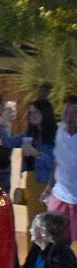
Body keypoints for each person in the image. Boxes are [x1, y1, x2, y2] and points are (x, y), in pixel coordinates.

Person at [0, 98, 57, 222]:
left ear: (45, 112)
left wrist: (37, 154)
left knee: (49, 222)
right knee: (33, 220)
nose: (32, 115)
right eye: (30, 112)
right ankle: (32, 242)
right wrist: (4, 124)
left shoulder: (55, 134)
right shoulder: (29, 134)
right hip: (31, 180)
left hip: (50, 182)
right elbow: (10, 142)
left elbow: (56, 162)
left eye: (36, 112)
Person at [42, 94, 77, 252]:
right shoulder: (60, 131)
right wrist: (50, 185)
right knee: (53, 237)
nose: (70, 117)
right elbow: (58, 160)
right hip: (60, 194)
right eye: (67, 112)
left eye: (75, 112)